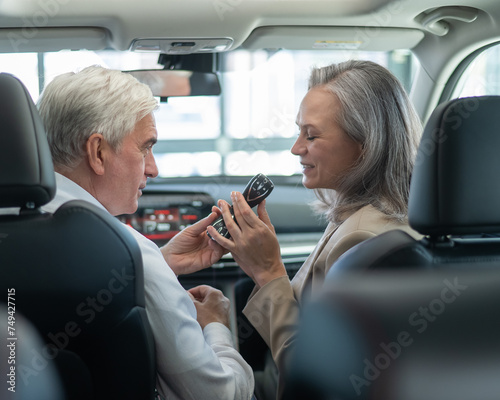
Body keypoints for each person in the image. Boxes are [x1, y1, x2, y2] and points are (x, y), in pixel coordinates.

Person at [207, 60, 423, 400]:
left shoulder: (364, 238)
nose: (296, 148)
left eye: (311, 135)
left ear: (365, 144)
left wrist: (267, 271)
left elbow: (314, 379)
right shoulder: (359, 216)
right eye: (298, 131)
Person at [37, 65, 254, 400]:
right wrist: (217, 326)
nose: (153, 168)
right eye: (145, 147)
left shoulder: (13, 230)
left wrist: (159, 265)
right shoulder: (132, 253)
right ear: (98, 152)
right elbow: (218, 394)